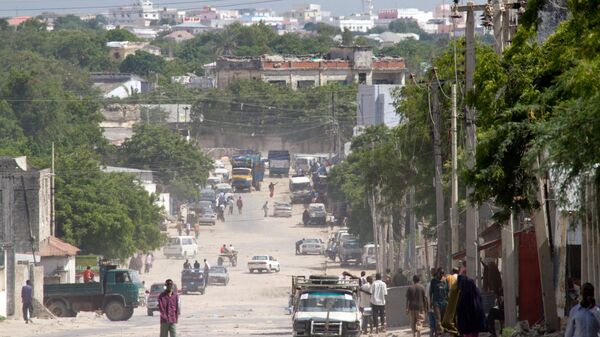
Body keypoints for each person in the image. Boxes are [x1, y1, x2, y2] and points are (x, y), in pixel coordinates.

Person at [430, 268, 448, 336]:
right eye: (440, 273)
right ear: (437, 273)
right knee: (438, 319)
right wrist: (431, 302)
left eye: (443, 273)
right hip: (436, 302)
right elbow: (431, 292)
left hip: (444, 302)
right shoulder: (433, 281)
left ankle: (443, 332)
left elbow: (447, 291)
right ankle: (440, 332)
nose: (441, 275)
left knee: (443, 319)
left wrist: (447, 301)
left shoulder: (445, 281)